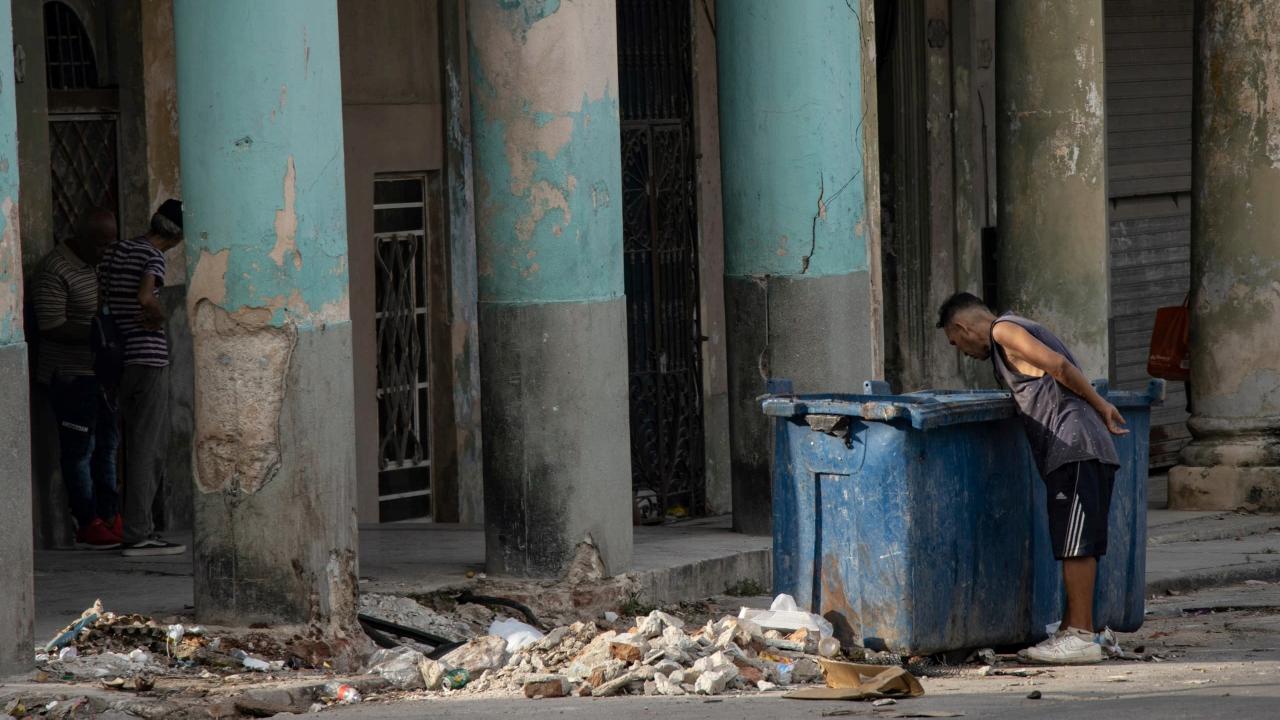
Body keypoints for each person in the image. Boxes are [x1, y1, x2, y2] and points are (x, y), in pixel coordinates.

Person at [936, 292, 1127, 665]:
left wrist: (1101, 404)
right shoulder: (1015, 329)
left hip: (1074, 444)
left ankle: (1081, 636)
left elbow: (1059, 367)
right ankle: (1072, 630)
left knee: (1077, 544)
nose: (964, 352)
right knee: (1075, 541)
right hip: (1080, 448)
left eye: (957, 343)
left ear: (961, 326)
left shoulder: (1004, 331)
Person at [100, 199, 187, 557]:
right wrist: (159, 316)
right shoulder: (153, 257)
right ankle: (139, 531)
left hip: (115, 357)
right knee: (147, 447)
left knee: (122, 444)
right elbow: (145, 297)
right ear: (178, 236)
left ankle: (124, 522)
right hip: (147, 359)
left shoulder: (119, 249)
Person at [34, 208, 121, 549]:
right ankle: (87, 521)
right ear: (80, 238)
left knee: (108, 446)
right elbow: (51, 325)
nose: (106, 251)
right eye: (100, 244)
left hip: (100, 374)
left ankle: (110, 514)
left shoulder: (99, 266)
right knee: (79, 451)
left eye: (110, 243)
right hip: (70, 375)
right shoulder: (55, 269)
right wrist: (98, 335)